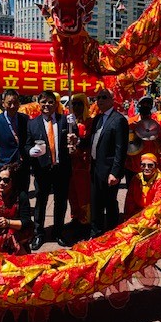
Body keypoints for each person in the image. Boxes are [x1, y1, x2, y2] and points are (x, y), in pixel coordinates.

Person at [78, 88, 129, 239]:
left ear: (112, 100)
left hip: (109, 171)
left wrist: (115, 172)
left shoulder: (119, 120)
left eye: (104, 97)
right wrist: (78, 141)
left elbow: (121, 149)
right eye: (98, 97)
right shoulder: (97, 119)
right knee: (95, 202)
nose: (100, 100)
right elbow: (91, 141)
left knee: (110, 203)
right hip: (95, 168)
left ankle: (113, 233)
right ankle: (96, 232)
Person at [25, 90, 72, 250]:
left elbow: (74, 140)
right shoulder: (32, 123)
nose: (47, 105)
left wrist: (75, 132)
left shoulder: (65, 120)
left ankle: (58, 232)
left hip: (61, 168)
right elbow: (26, 144)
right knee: (41, 202)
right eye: (44, 102)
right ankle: (39, 233)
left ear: (55, 104)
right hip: (42, 169)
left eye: (50, 102)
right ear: (39, 104)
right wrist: (30, 151)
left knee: (60, 202)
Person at [0, 163, 33, 254]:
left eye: (6, 180)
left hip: (18, 237)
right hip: (1, 237)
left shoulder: (21, 196)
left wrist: (8, 222)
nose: (1, 183)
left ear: (13, 181)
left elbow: (26, 222)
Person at [0, 89, 30, 189]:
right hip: (5, 167)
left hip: (23, 167)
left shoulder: (25, 119)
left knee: (23, 198)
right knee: (6, 199)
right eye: (9, 103)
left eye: (15, 103)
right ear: (3, 103)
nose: (13, 106)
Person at [66, 93, 92, 235]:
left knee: (83, 193)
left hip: (83, 164)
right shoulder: (68, 121)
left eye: (79, 104)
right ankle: (75, 218)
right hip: (70, 164)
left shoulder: (89, 122)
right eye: (74, 104)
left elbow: (88, 141)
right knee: (72, 193)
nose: (76, 107)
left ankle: (85, 221)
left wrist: (75, 128)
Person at [126, 95, 161, 185]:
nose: (146, 106)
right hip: (133, 166)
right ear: (139, 105)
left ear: (151, 106)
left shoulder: (156, 124)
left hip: (149, 166)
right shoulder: (131, 122)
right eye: (143, 103)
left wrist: (152, 135)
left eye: (148, 104)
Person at [124, 153, 161, 219]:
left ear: (156, 166)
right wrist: (127, 217)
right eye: (143, 165)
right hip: (138, 212)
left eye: (150, 165)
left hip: (155, 214)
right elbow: (130, 201)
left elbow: (157, 204)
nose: (146, 168)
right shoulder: (137, 178)